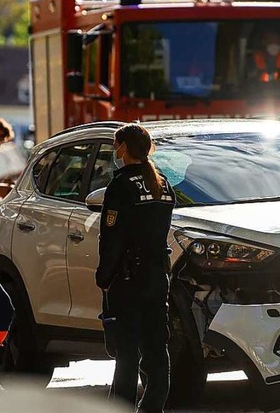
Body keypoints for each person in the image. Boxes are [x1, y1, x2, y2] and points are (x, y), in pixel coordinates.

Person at [95, 123, 176, 413]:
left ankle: (121, 408)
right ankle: (153, 407)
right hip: (157, 276)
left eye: (116, 144)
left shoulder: (121, 184)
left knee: (126, 350)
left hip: (128, 279)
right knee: (156, 347)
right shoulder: (163, 183)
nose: (115, 150)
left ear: (123, 147)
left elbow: (112, 237)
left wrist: (104, 276)